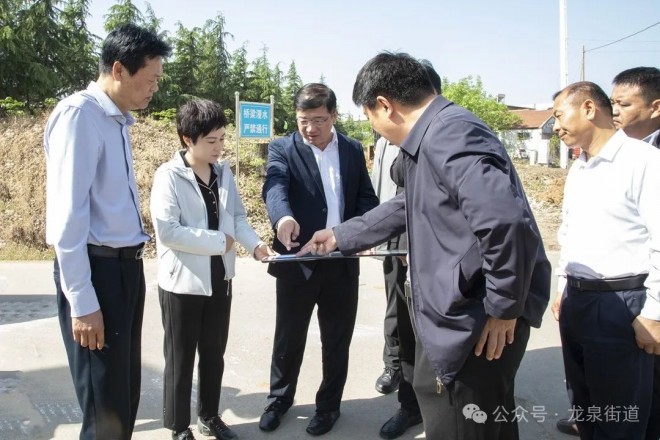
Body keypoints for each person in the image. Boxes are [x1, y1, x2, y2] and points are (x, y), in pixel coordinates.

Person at [299, 52, 551, 440]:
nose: (373, 128)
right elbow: (408, 203)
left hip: (476, 321)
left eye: (369, 116)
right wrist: (341, 235)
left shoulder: (450, 134)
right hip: (466, 314)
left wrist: (504, 309)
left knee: (462, 423)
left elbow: (505, 223)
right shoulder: (433, 135)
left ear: (385, 105)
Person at [43, 24, 171, 439]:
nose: (155, 88)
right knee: (105, 410)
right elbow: (67, 219)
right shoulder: (80, 116)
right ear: (119, 69)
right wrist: (82, 302)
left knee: (123, 398)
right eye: (150, 79)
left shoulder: (116, 120)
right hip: (98, 273)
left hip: (125, 271)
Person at [150, 99, 274, 440]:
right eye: (211, 141)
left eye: (222, 139)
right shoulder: (168, 176)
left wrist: (255, 244)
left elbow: (237, 217)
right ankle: (179, 427)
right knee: (180, 359)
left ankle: (209, 416)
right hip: (182, 284)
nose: (219, 147)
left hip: (220, 278)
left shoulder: (223, 172)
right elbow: (168, 231)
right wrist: (221, 242)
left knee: (213, 354)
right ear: (187, 139)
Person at [260, 83, 379, 436]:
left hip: (341, 260)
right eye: (303, 120)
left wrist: (360, 234)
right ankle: (279, 400)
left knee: (337, 339)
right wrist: (283, 218)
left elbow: (365, 198)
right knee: (288, 337)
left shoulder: (352, 149)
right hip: (298, 259)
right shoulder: (283, 148)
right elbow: (275, 187)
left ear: (334, 116)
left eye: (319, 120)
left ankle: (329, 407)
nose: (310, 128)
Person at [550, 81, 660, 440]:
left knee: (622, 417)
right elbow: (569, 232)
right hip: (579, 300)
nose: (556, 127)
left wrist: (655, 313)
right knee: (585, 404)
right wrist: (563, 285)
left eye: (559, 116)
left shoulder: (643, 161)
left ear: (588, 108)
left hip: (621, 302)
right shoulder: (580, 167)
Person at [371, 59, 441, 440]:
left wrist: (505, 308)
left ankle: (438, 411)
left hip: (442, 271)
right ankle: (411, 406)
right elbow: (400, 196)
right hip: (401, 249)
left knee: (435, 343)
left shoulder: (450, 139)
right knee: (405, 329)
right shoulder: (401, 142)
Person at [612, 67, 660, 440]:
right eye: (612, 102)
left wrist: (655, 311)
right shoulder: (618, 150)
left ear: (655, 107)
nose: (614, 111)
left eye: (624, 104)